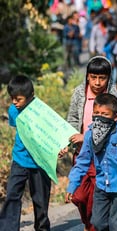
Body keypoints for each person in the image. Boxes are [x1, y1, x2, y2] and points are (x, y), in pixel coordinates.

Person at [64, 56, 117, 231]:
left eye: (102, 78)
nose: (97, 82)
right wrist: (71, 139)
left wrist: (86, 136)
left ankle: (94, 226)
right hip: (81, 153)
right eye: (93, 77)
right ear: (87, 76)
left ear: (108, 78)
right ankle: (89, 223)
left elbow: (115, 126)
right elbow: (72, 118)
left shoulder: (113, 96)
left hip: (102, 157)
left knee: (96, 196)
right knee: (78, 196)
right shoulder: (79, 93)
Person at [66, 93, 117, 231]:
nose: (99, 117)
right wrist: (73, 184)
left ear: (116, 117)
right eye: (96, 113)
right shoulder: (90, 134)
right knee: (98, 222)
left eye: (105, 114)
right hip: (101, 185)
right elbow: (82, 160)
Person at [0, 75, 51, 231]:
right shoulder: (13, 111)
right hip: (20, 159)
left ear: (31, 96)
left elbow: (52, 133)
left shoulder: (41, 111)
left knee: (40, 199)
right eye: (12, 98)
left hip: (40, 162)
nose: (14, 102)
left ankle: (42, 227)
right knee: (12, 195)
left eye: (19, 99)